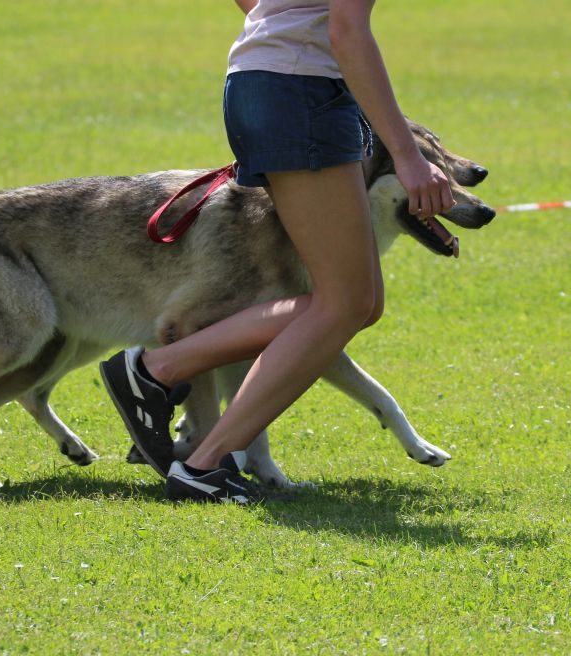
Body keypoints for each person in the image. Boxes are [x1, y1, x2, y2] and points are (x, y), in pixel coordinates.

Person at [100, 0, 454, 503]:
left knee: (359, 304)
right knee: (344, 305)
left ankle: (157, 376)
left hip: (275, 84)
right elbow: (348, 32)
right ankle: (197, 449)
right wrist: (406, 155)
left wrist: (276, 21)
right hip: (301, 92)